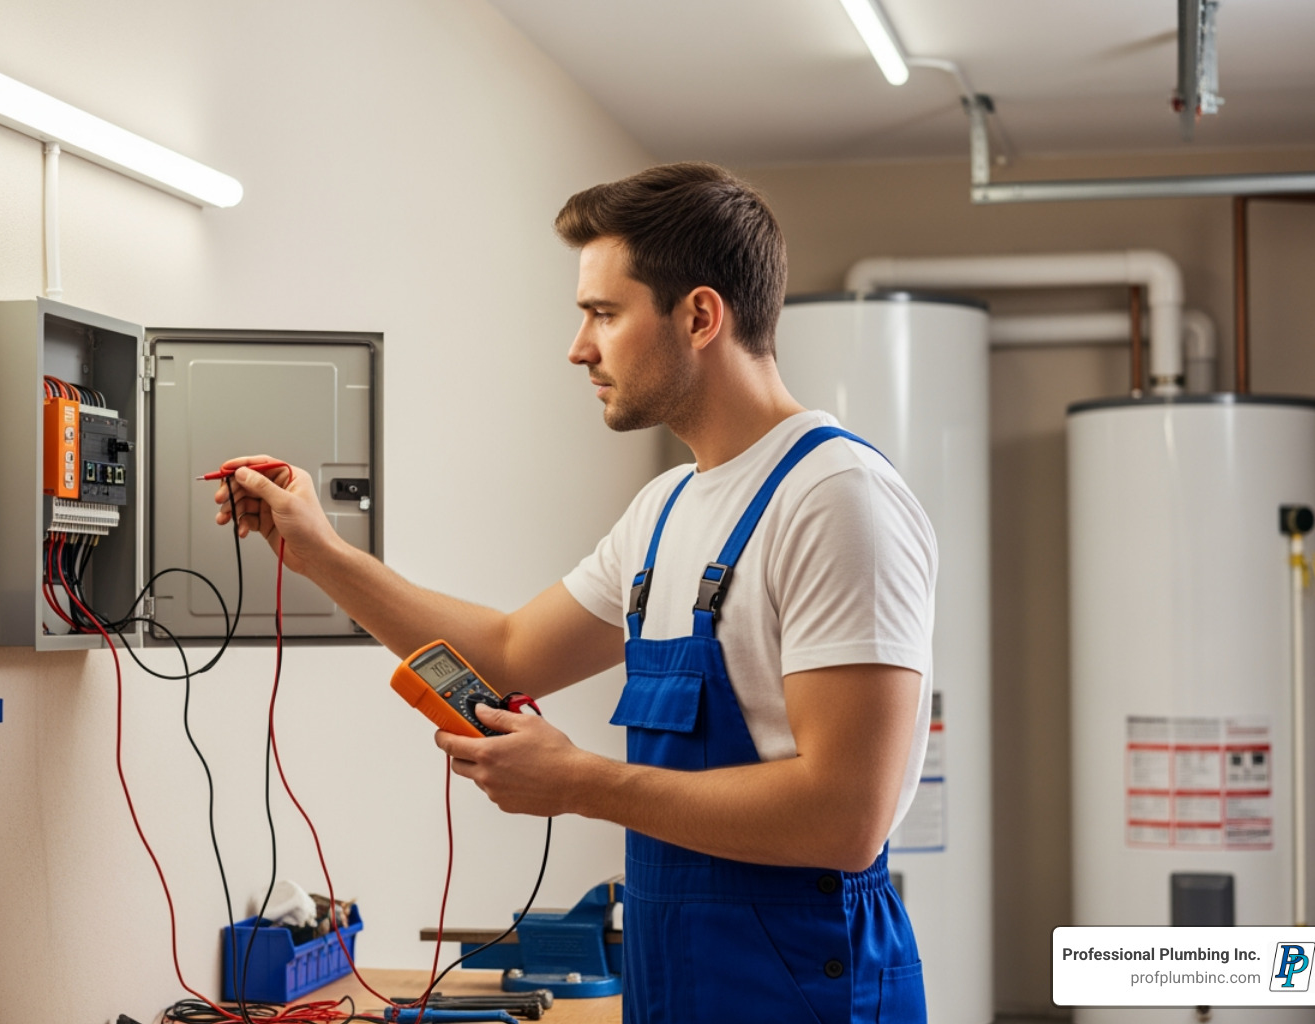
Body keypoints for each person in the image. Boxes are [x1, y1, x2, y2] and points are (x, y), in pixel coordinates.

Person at [216, 162, 936, 1023]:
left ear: (700, 316)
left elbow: (842, 815)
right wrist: (323, 553)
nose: (579, 346)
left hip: (810, 989)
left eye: (604, 313)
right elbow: (511, 651)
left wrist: (579, 782)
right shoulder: (665, 511)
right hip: (682, 983)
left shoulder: (834, 498)